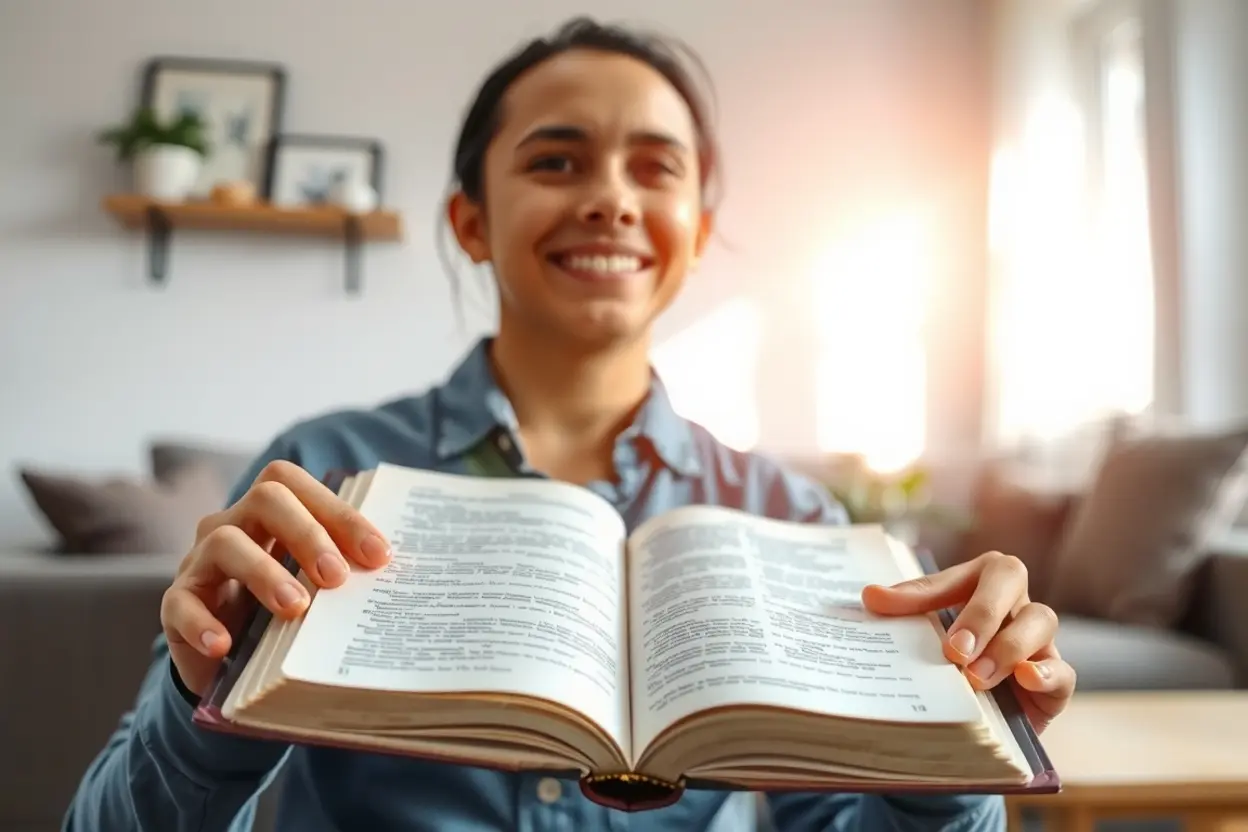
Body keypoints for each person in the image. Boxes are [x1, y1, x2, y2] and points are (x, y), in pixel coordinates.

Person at [64, 16, 1075, 832]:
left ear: (698, 233)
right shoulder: (330, 475)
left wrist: (949, 752)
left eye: (656, 168)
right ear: (471, 220)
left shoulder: (796, 520)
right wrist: (211, 707)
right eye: (557, 162)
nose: (609, 200)